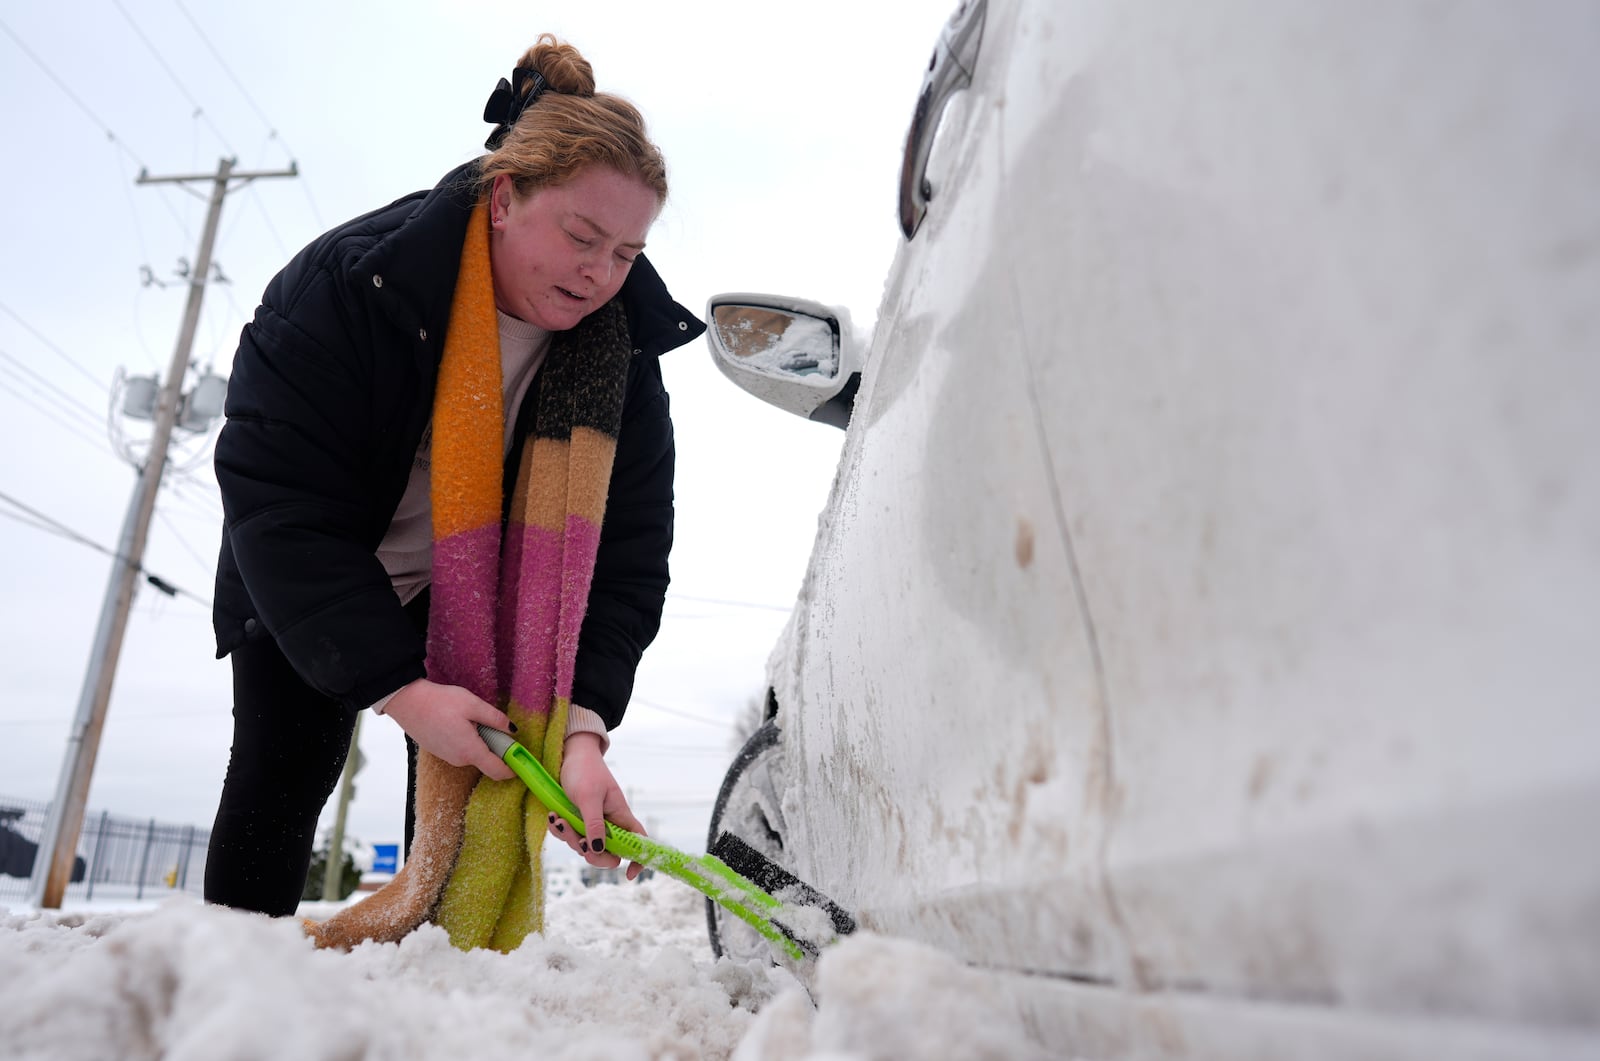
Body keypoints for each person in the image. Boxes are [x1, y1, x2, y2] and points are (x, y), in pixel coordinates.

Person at [204, 34, 702, 939]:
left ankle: (431, 982)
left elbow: (630, 555)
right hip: (316, 571)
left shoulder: (618, 352)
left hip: (470, 597)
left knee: (465, 797)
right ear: (504, 198)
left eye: (628, 252)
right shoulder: (353, 284)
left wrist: (582, 731)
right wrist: (400, 690)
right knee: (286, 766)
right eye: (583, 236)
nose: (601, 273)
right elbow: (276, 496)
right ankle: (228, 975)